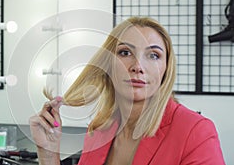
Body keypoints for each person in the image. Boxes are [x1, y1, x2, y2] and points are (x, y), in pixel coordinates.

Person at [29, 16, 225, 165]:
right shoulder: (98, 130)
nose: (138, 65)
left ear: (166, 69)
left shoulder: (196, 132)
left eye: (154, 55)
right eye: (125, 52)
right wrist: (48, 152)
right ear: (108, 64)